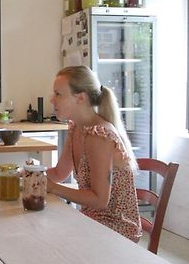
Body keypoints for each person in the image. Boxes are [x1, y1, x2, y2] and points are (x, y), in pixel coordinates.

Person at [46, 65, 141, 242]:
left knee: (48, 238)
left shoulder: (99, 135)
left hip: (116, 229)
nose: (52, 100)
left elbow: (99, 200)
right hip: (93, 221)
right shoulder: (76, 128)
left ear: (80, 98)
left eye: (58, 94)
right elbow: (59, 173)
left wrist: (52, 188)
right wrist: (26, 175)